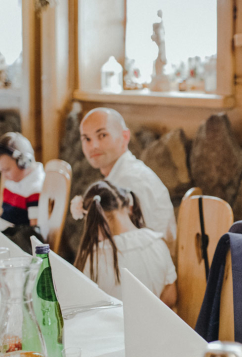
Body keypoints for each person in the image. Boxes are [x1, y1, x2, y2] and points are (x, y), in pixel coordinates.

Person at [79, 108, 177, 256]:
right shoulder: (119, 175)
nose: (94, 146)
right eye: (87, 139)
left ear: (125, 137)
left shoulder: (130, 182)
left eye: (102, 135)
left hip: (147, 266)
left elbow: (133, 246)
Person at [71, 181, 177, 307]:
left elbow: (82, 304)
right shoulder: (158, 242)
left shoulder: (94, 258)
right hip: (154, 324)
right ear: (129, 206)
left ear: (94, 218)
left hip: (114, 326)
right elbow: (171, 296)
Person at [0, 132, 45, 251]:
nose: (3, 176)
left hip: (14, 244)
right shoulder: (14, 179)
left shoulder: (34, 190)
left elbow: (33, 235)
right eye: (1, 172)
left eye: (6, 170)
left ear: (24, 161)